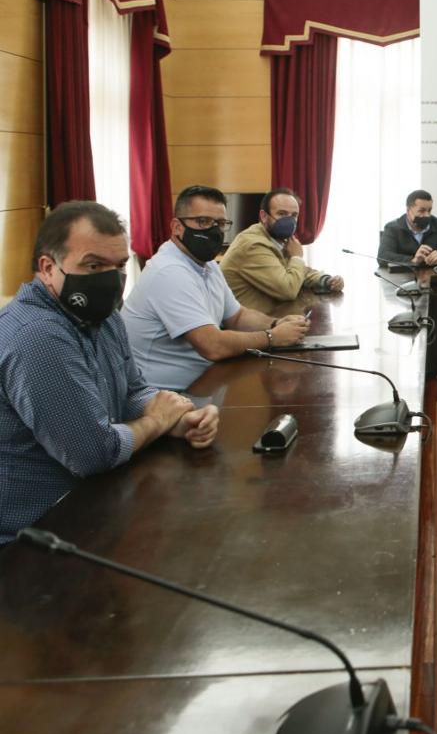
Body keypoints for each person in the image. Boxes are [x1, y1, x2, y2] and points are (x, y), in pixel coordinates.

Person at [0, 201, 219, 543]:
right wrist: (156, 422)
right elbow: (92, 453)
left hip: (95, 507)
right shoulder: (38, 335)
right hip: (35, 538)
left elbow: (132, 391)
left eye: (118, 266)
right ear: (47, 268)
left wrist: (178, 419)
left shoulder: (104, 317)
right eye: (93, 265)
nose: (111, 279)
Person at [122, 185, 311, 391]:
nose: (213, 230)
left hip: (204, 384)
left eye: (220, 223)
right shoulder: (169, 271)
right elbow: (213, 346)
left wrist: (276, 323)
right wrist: (272, 337)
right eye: (203, 221)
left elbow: (237, 317)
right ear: (177, 227)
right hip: (162, 397)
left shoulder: (207, 264)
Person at [219, 187, 344, 313]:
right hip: (245, 327)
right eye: (282, 214)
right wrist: (297, 257)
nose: (289, 221)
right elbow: (288, 290)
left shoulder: (277, 238)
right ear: (264, 216)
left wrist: (327, 281)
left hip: (269, 318)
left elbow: (301, 272)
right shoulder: (253, 244)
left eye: (294, 215)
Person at [377, 190, 437, 266]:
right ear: (408, 210)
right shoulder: (393, 228)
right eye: (421, 211)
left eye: (429, 210)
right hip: (403, 278)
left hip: (433, 278)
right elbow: (383, 256)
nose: (427, 215)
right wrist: (412, 260)